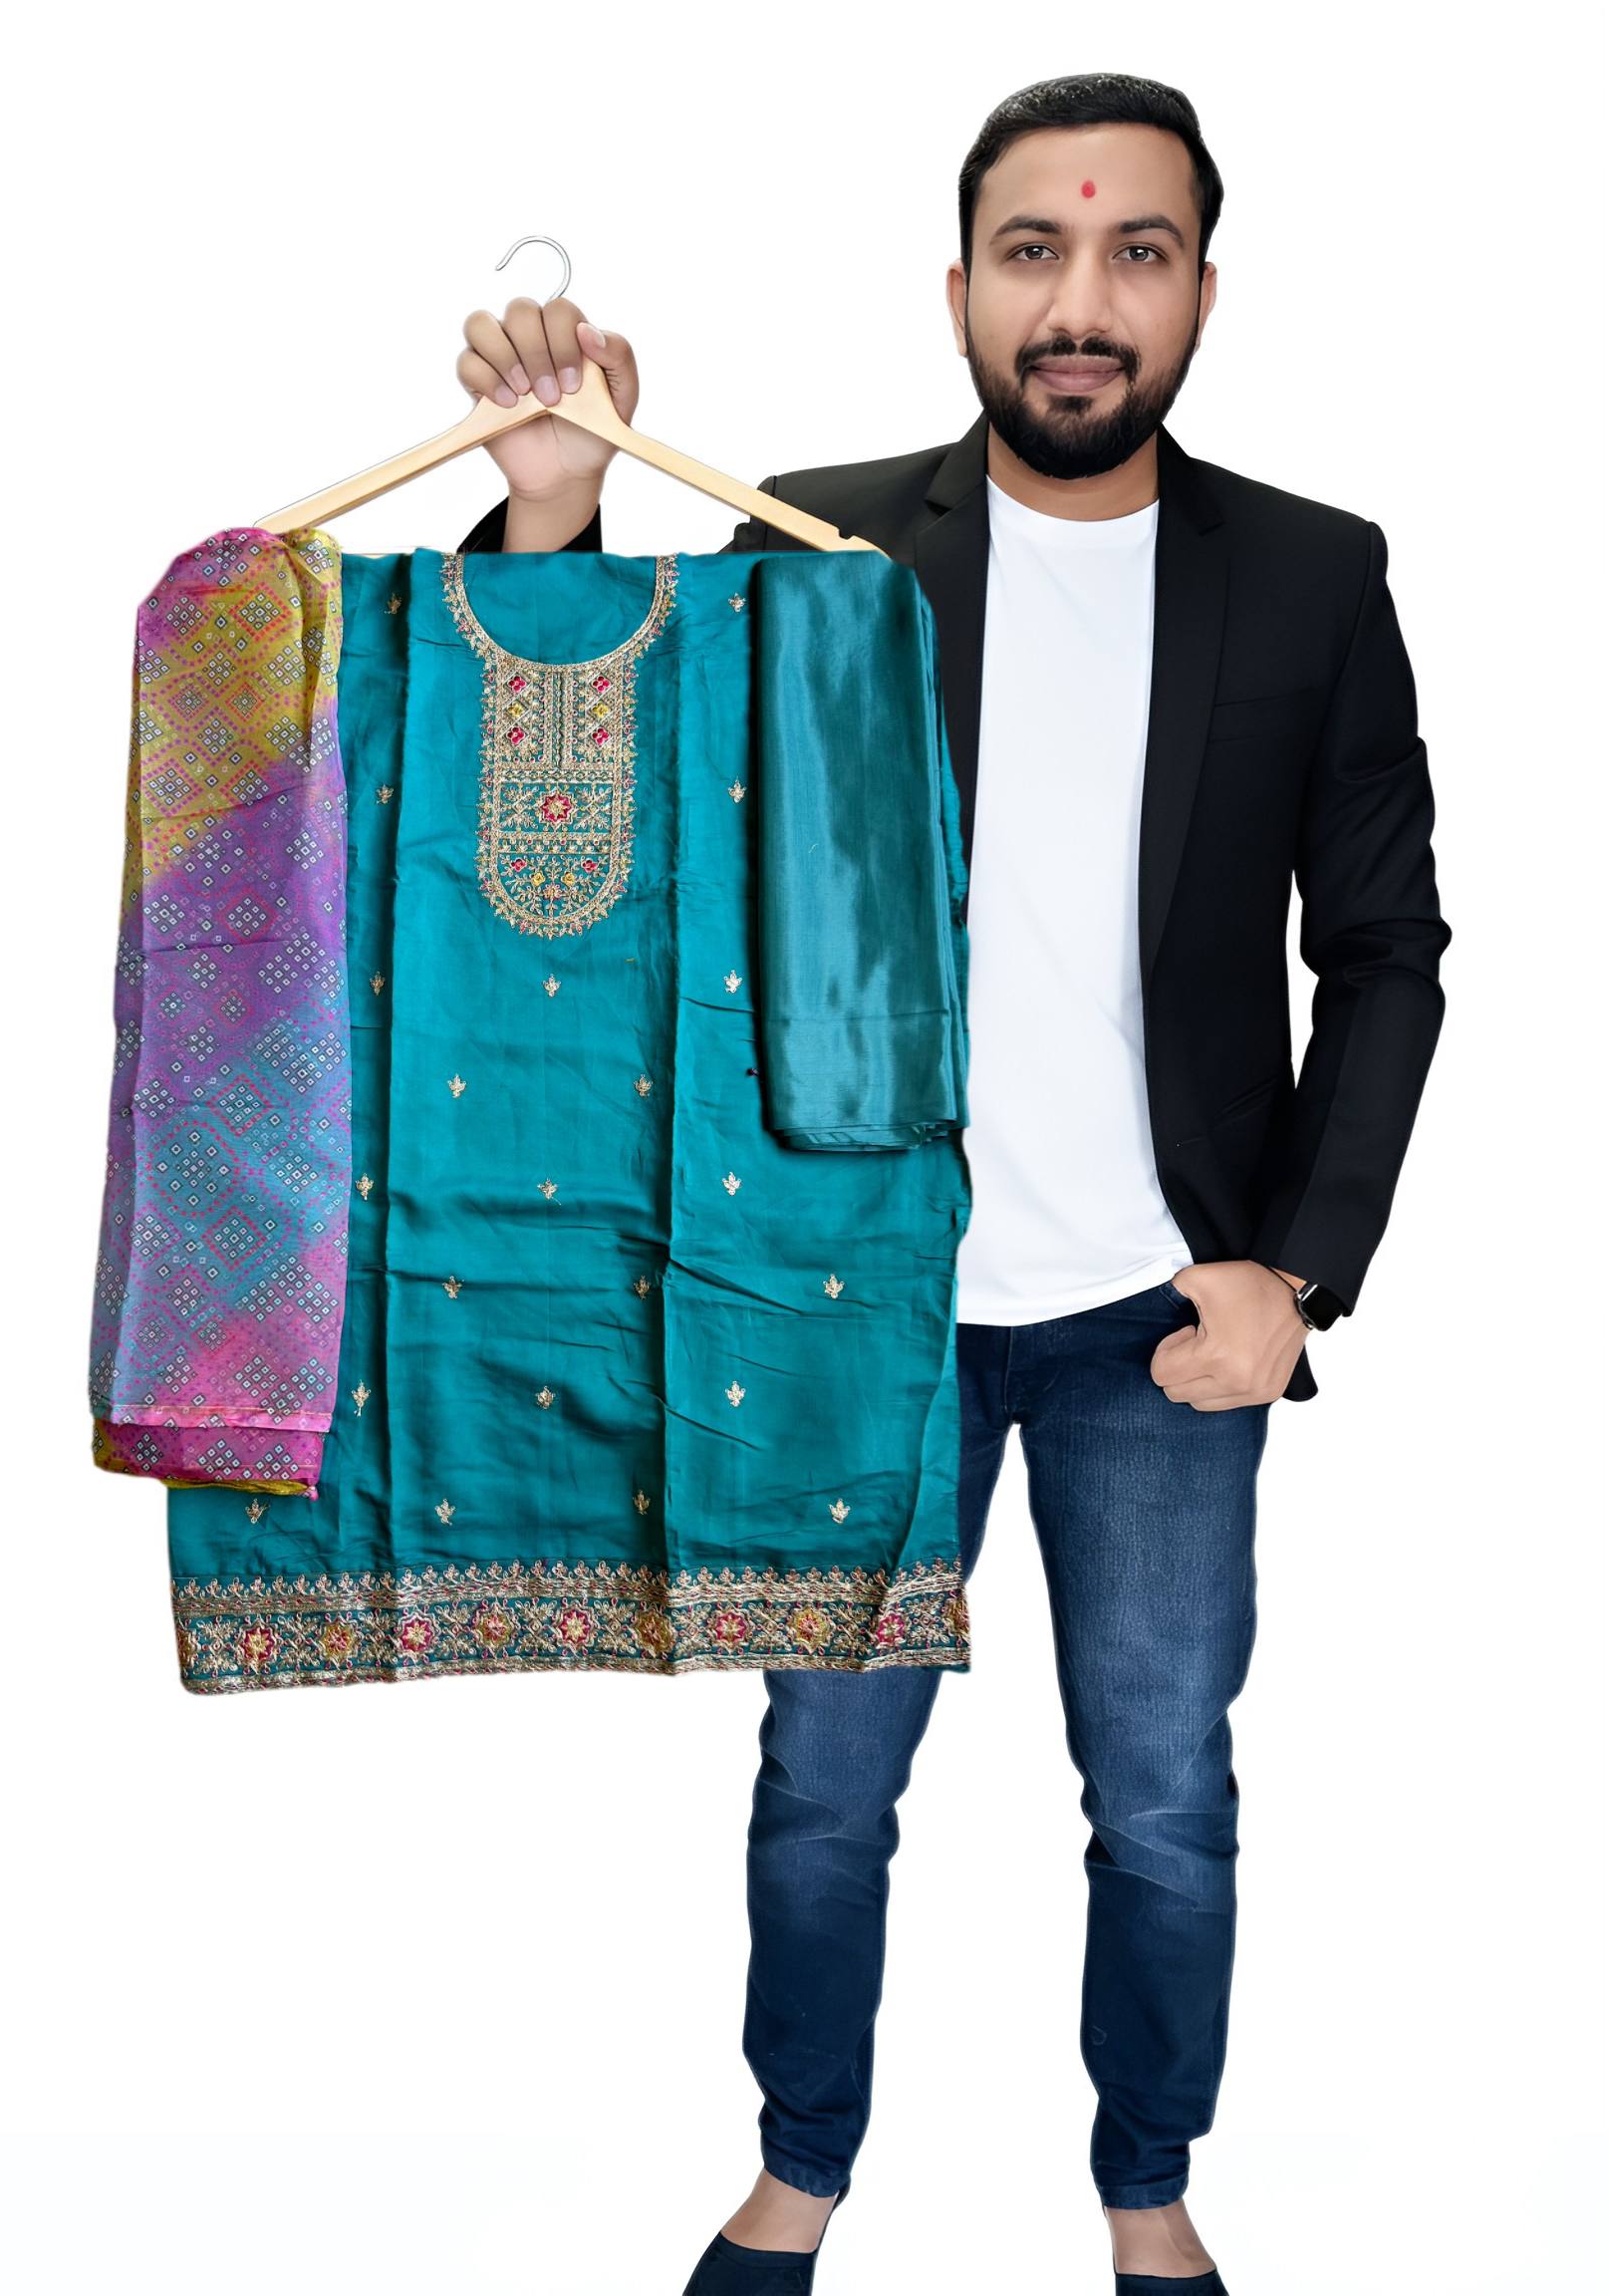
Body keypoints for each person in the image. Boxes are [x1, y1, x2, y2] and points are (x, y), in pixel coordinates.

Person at [450, 72, 1450, 2295]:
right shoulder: (811, 546)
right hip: (856, 1308)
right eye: (1035, 252)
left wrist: (1298, 1271)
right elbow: (601, 809)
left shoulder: (1313, 576)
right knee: (827, 1788)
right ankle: (801, 2174)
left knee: (1164, 1794)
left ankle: (1149, 2191)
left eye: (1136, 252)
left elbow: (1385, 951)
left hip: (1156, 1320)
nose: (1082, 301)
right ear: (960, 289)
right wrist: (555, 517)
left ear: (1200, 290)